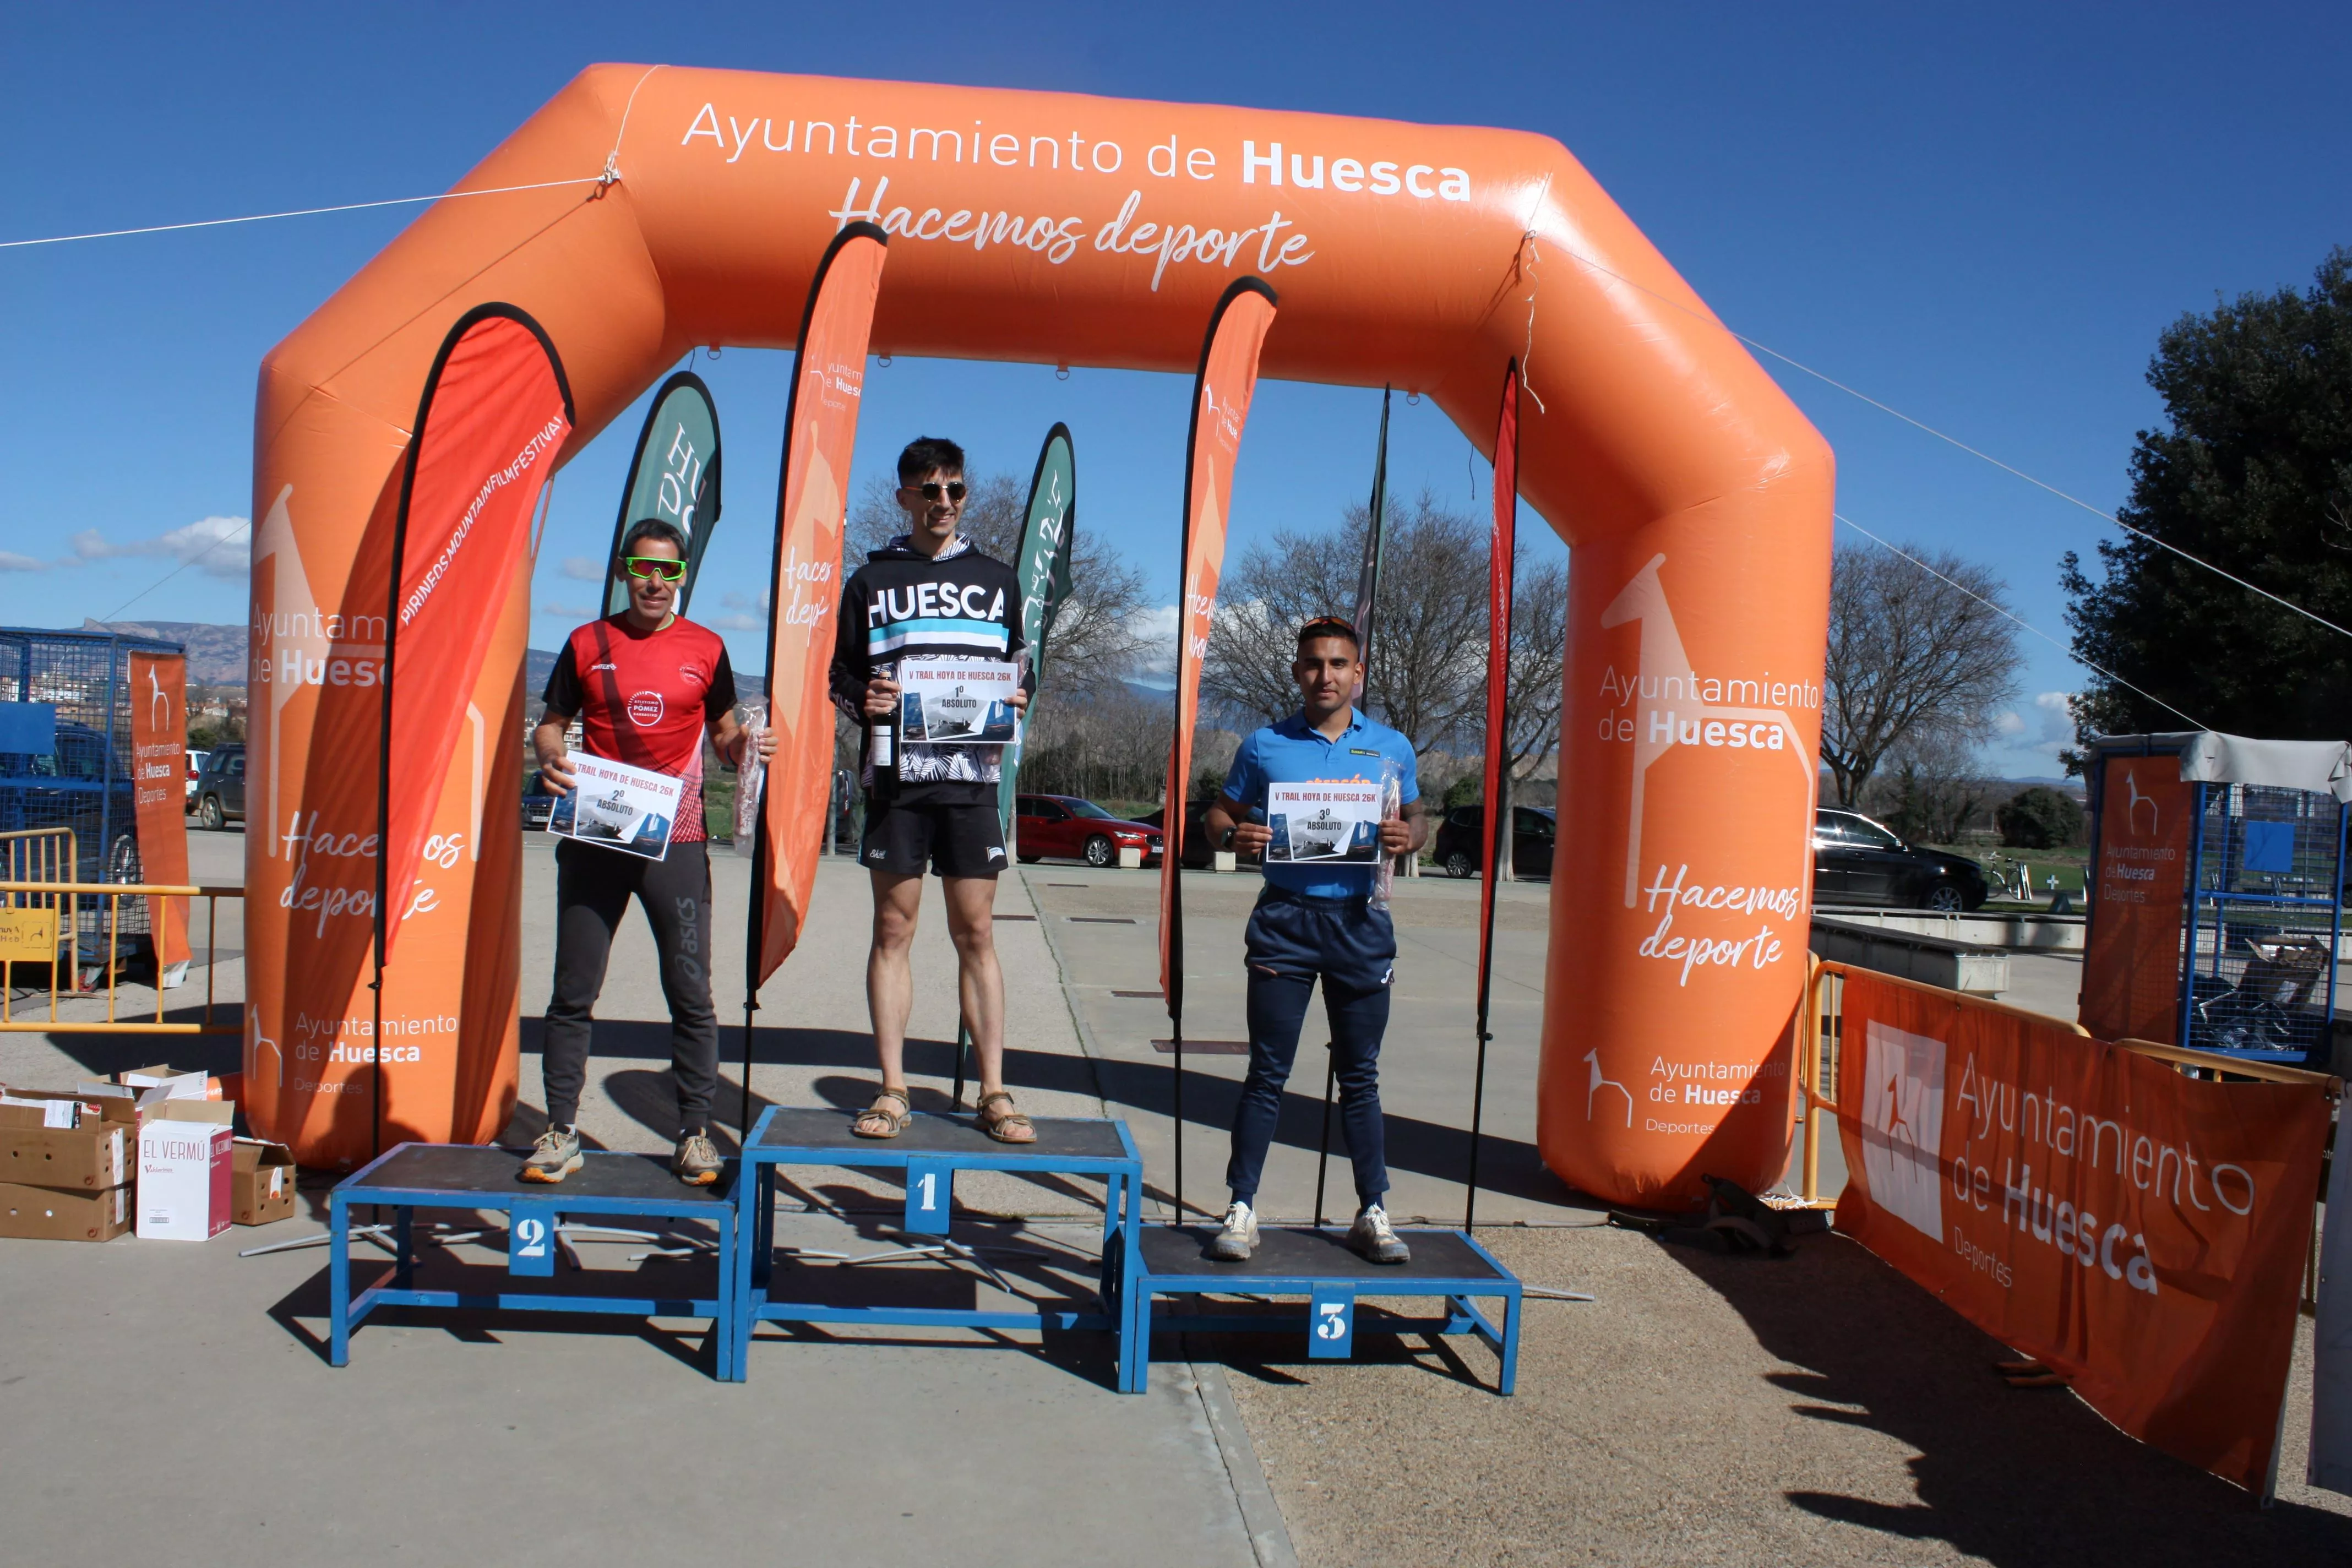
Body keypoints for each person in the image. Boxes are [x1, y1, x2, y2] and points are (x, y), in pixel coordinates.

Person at [521, 519, 774, 1185]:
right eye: (643, 568)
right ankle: (561, 1130)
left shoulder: (707, 647)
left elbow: (724, 736)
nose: (655, 582)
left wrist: (746, 748)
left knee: (691, 992)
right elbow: (552, 725)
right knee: (573, 990)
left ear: (682, 577)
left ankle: (694, 1133)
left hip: (677, 839)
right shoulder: (587, 642)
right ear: (624, 572)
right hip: (597, 834)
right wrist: (550, 756)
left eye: (669, 571)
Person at [1201, 617, 1429, 1264]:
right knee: (1267, 1073)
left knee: (1360, 1077)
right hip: (1287, 922)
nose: (1325, 675)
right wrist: (1232, 836)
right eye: (1313, 664)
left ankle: (1373, 1210)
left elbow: (1418, 818)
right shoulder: (1264, 745)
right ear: (1297, 671)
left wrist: (1410, 836)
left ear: (1358, 673)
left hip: (1360, 923)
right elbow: (1219, 814)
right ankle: (1242, 1208)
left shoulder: (1391, 747)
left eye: (1338, 664)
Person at [829, 436, 1036, 1143]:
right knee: (894, 929)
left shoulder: (999, 579)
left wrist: (1018, 694)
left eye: (955, 489)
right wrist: (865, 700)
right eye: (929, 490)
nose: (943, 502)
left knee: (975, 932)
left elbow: (1020, 665)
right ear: (905, 498)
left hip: (971, 779)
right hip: (897, 777)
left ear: (965, 495)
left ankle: (995, 1091)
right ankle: (893, 1089)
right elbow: (841, 675)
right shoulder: (871, 580)